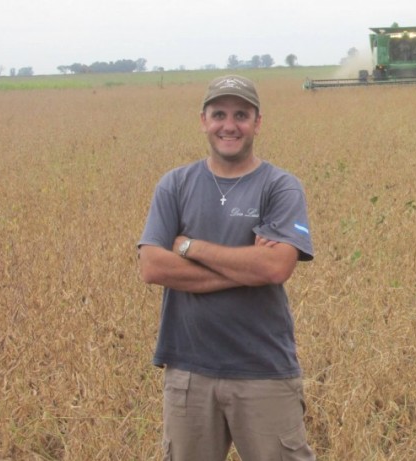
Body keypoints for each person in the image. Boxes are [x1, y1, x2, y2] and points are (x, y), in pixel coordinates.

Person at [137, 74, 316, 460]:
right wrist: (245, 268)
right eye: (219, 114)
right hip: (188, 372)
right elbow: (152, 266)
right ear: (203, 121)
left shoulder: (281, 187)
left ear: (257, 122)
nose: (229, 125)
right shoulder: (174, 185)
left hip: (264, 371)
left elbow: (275, 268)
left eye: (241, 115)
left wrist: (190, 247)